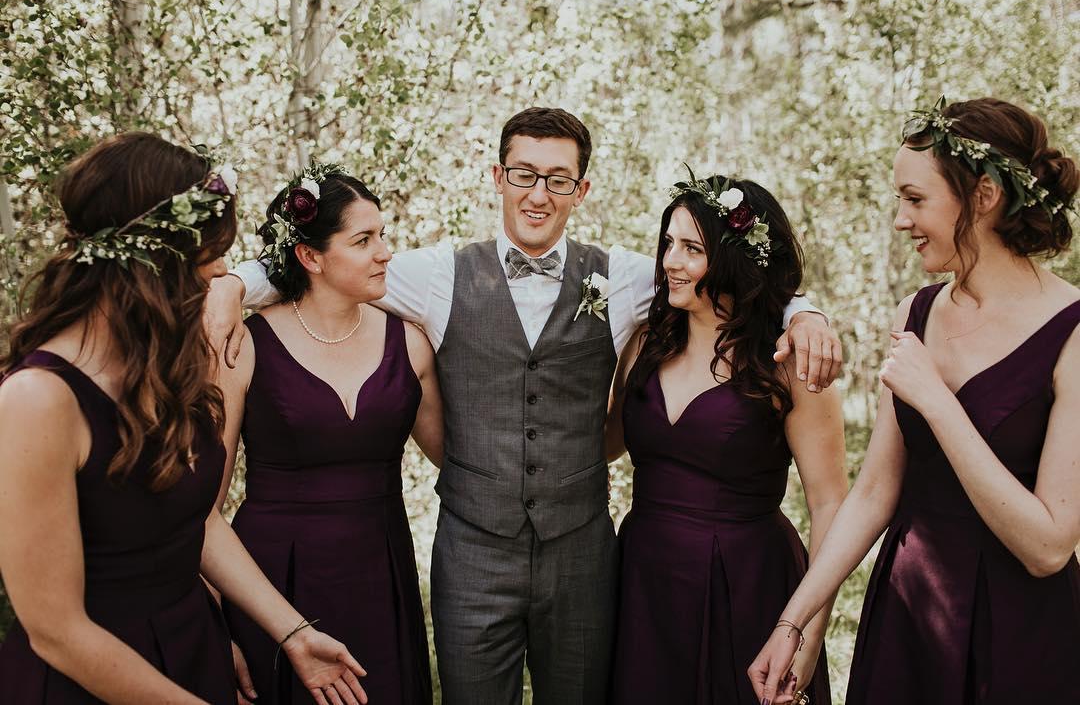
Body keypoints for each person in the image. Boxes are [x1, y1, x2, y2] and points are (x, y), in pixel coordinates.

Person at [210, 108, 843, 705]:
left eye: (558, 179)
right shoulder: (435, 275)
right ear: (497, 177)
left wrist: (803, 311)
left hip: (583, 555)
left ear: (581, 190)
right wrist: (235, 284)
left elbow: (731, 277)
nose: (539, 194)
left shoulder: (625, 277)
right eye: (523, 174)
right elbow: (325, 266)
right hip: (472, 555)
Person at [0, 133, 368, 705]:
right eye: (209, 254)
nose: (222, 271)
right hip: (95, 679)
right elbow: (57, 631)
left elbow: (191, 519)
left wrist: (293, 632)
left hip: (192, 644)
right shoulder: (37, 399)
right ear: (152, 261)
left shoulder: (166, 364)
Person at [749, 97, 1080, 705]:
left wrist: (937, 402)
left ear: (984, 196)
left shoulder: (1073, 331)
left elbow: (1049, 547)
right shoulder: (916, 313)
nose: (901, 220)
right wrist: (792, 623)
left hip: (1017, 634)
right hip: (907, 617)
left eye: (915, 198)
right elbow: (875, 492)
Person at [605, 170, 847, 704]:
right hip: (643, 577)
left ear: (736, 259)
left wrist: (806, 635)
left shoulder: (789, 362)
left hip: (747, 581)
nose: (670, 261)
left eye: (692, 248)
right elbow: (605, 444)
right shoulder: (645, 342)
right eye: (668, 243)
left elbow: (830, 503)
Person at [216, 161, 442, 704]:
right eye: (363, 240)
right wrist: (217, 627)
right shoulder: (242, 345)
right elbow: (202, 508)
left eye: (382, 235)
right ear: (311, 257)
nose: (385, 252)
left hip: (381, 574)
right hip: (274, 582)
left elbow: (459, 459)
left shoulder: (411, 343)